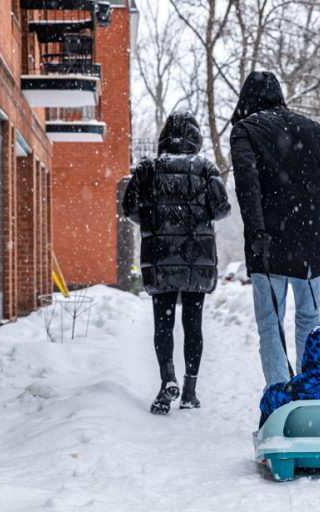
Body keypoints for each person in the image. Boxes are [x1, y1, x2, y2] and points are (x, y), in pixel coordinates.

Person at [230, 71, 320, 387]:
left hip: (269, 246)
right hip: (309, 244)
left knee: (270, 324)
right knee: (308, 321)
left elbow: (247, 186)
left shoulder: (245, 131)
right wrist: (319, 202)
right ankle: (310, 394)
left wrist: (257, 231)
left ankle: (279, 400)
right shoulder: (311, 129)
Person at [123, 110, 231, 415]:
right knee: (193, 325)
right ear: (195, 135)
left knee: (163, 323)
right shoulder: (206, 168)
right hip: (197, 259)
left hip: (161, 257)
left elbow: (129, 208)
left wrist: (155, 221)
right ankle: (189, 391)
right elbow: (222, 208)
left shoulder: (148, 169)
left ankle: (166, 378)